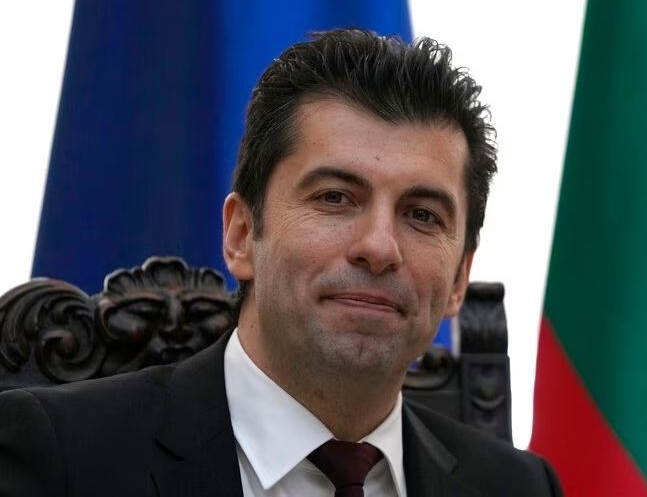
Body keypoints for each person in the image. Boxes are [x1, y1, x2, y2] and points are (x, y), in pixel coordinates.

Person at [0, 28, 562, 497]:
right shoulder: (58, 457)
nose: (378, 247)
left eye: (421, 215)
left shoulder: (520, 487)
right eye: (335, 198)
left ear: (459, 277)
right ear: (242, 235)